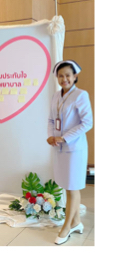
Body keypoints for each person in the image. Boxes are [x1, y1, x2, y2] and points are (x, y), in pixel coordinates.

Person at [47, 60, 93, 245]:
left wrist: (64, 137)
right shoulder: (56, 96)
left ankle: (66, 227)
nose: (64, 79)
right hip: (59, 147)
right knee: (68, 186)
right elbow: (51, 120)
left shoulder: (81, 95)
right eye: (60, 76)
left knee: (73, 187)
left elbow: (87, 123)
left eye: (67, 75)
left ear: (75, 76)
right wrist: (51, 136)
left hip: (74, 148)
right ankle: (76, 222)